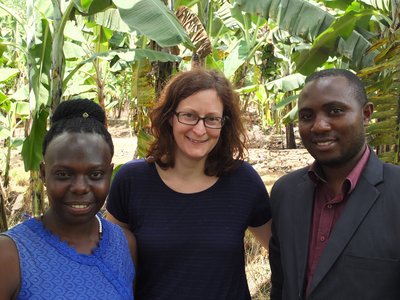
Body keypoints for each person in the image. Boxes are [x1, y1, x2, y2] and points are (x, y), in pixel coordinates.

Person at [106, 68, 271, 299]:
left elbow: (281, 253)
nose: (200, 129)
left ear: (224, 124)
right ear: (169, 117)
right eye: (189, 116)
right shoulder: (133, 181)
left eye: (212, 119)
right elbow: (108, 258)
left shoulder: (243, 181)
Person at [269, 68, 400, 300]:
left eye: (335, 111)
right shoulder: (285, 193)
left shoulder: (395, 193)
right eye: (307, 116)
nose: (319, 126)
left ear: (366, 114)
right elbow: (281, 284)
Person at [0, 99, 136, 300]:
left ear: (109, 173)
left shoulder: (124, 244)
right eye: (64, 174)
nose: (80, 187)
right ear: (44, 174)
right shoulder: (11, 255)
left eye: (96, 174)